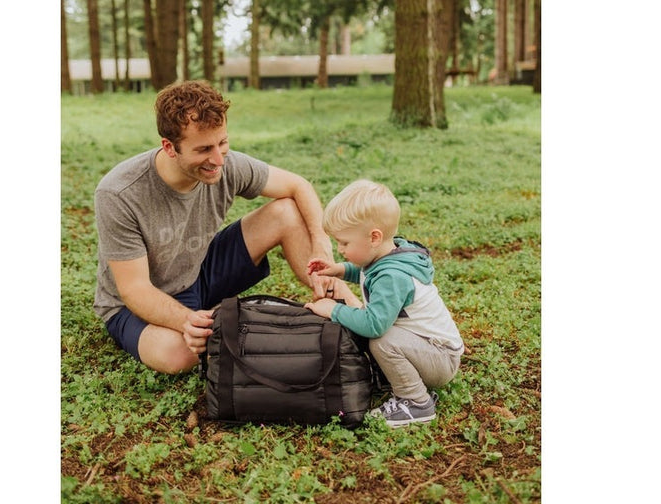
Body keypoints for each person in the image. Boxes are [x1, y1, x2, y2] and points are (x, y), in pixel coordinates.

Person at [93, 79, 334, 374]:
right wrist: (186, 321)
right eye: (204, 149)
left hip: (198, 274)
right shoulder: (119, 193)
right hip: (136, 305)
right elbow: (134, 289)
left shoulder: (224, 162)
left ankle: (350, 313)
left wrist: (321, 243)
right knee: (179, 355)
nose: (218, 160)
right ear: (169, 147)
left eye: (222, 142)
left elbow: (299, 185)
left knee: (285, 211)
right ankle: (205, 323)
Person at [304, 179, 464, 427]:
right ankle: (399, 380)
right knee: (379, 333)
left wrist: (334, 309)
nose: (340, 248)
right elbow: (366, 273)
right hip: (430, 350)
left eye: (344, 243)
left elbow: (374, 326)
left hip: (440, 358)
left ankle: (416, 402)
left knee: (382, 339)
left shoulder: (392, 276)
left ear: (374, 237)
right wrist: (339, 270)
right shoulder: (387, 256)